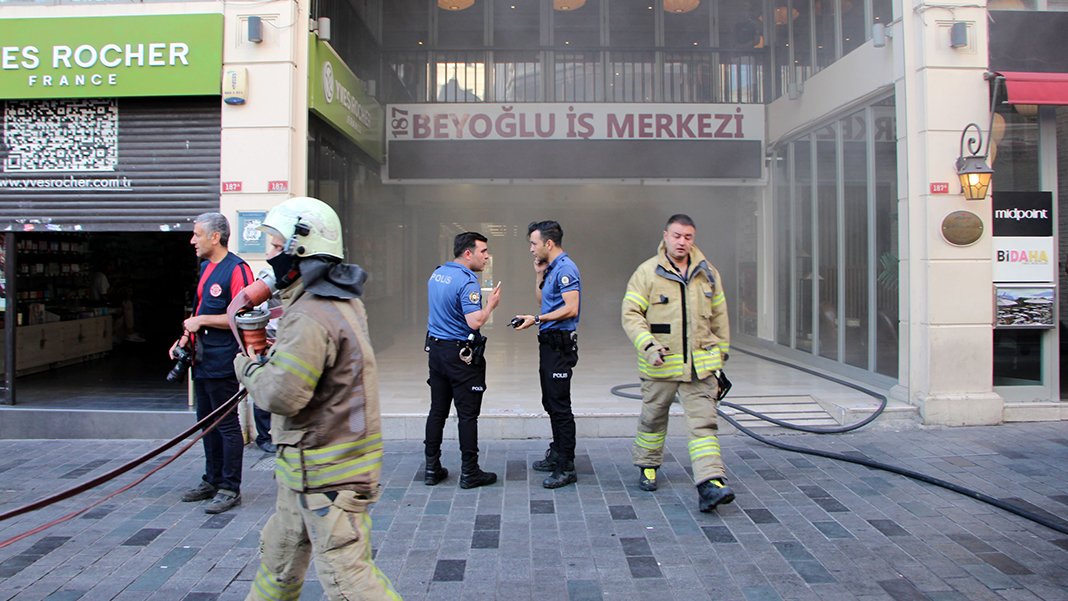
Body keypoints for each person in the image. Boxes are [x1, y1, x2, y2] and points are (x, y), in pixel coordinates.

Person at [234, 196, 400, 600]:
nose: (268, 259)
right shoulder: (336, 301)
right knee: (279, 561)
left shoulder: (309, 314)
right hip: (304, 470)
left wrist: (247, 365)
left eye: (274, 247)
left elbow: (281, 393)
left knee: (348, 579)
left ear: (299, 249)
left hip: (328, 474)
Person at [621, 214, 735, 513]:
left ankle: (710, 483)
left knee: (704, 426)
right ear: (666, 236)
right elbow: (631, 315)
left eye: (688, 237)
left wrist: (720, 354)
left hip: (701, 367)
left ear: (693, 239)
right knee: (653, 419)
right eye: (677, 236)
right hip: (661, 364)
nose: (682, 242)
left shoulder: (708, 273)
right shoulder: (647, 273)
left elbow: (720, 317)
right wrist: (647, 345)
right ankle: (647, 464)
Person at [170, 212, 253, 515]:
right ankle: (212, 479)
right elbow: (197, 312)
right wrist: (183, 341)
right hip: (202, 359)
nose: (192, 240)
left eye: (197, 234)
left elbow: (243, 317)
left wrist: (201, 320)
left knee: (227, 426)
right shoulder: (206, 268)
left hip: (224, 361)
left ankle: (230, 488)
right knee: (206, 424)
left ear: (215, 237)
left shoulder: (238, 270)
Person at [423, 232, 501, 490]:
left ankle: (432, 468)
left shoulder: (438, 274)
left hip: (436, 351)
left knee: (438, 410)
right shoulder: (468, 282)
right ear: (468, 253)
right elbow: (475, 321)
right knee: (467, 415)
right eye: (483, 251)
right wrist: (491, 305)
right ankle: (470, 472)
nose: (487, 256)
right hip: (460, 356)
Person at [512, 220, 581, 489]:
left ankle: (567, 466)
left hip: (560, 345)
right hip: (549, 344)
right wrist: (538, 273)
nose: (531, 248)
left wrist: (537, 319)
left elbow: (571, 308)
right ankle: (557, 453)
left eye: (533, 243)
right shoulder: (551, 269)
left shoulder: (566, 269)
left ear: (548, 243)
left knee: (560, 405)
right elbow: (544, 300)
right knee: (550, 400)